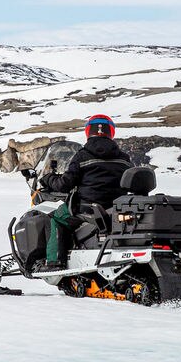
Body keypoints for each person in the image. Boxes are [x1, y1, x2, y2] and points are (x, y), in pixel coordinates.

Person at [38, 114, 133, 267]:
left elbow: (64, 185)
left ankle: (54, 261)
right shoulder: (124, 158)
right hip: (115, 209)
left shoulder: (83, 155)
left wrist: (48, 178)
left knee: (57, 218)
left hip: (87, 209)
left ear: (88, 131)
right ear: (111, 132)